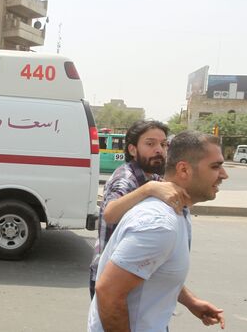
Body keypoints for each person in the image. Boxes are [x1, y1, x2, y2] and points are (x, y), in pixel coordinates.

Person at [88, 130, 227, 331]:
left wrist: (191, 301)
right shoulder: (159, 224)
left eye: (162, 144)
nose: (224, 174)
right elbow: (108, 293)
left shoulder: (179, 208)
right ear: (184, 170)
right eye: (216, 166)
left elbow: (156, 272)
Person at [89, 120, 189, 298]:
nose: (159, 149)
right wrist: (148, 189)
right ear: (133, 150)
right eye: (150, 144)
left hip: (136, 275)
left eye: (163, 144)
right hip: (111, 281)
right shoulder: (126, 178)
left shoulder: (155, 177)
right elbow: (110, 214)